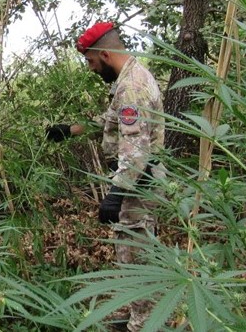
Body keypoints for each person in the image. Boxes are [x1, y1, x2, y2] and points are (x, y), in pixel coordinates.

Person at [46, 22, 165, 332]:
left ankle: (143, 325)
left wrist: (116, 194)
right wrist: (69, 130)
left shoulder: (132, 87)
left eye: (90, 61)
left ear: (105, 54)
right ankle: (138, 315)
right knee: (132, 256)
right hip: (137, 185)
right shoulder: (129, 78)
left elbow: (136, 151)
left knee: (137, 259)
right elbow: (110, 121)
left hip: (139, 187)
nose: (91, 68)